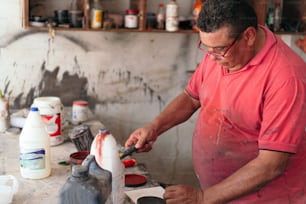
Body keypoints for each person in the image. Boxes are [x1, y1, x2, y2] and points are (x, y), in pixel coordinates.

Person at [125, 0, 306, 203]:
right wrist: (154, 127)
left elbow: (271, 164)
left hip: (267, 198)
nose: (211, 58)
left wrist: (203, 197)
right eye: (206, 47)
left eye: (218, 49)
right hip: (220, 192)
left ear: (248, 36)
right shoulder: (222, 52)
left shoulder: (286, 77)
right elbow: (191, 97)